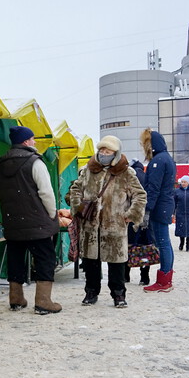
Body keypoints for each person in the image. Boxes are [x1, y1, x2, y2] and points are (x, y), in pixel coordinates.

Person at [70, 136, 146, 308]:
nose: (104, 154)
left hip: (114, 224)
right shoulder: (88, 170)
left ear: (116, 153)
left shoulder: (126, 172)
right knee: (90, 262)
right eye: (102, 150)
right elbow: (75, 189)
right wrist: (79, 207)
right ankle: (91, 292)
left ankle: (118, 294)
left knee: (117, 263)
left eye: (108, 151)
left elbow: (140, 195)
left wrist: (131, 214)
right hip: (90, 224)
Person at [0, 125, 61, 315]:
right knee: (45, 258)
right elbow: (46, 193)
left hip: (12, 221)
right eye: (32, 139)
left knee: (15, 257)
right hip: (37, 222)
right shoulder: (35, 162)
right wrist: (51, 214)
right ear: (25, 141)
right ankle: (43, 301)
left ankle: (16, 299)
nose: (34, 142)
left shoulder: (0, 164)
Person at [139, 128, 177, 293]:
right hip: (165, 206)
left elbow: (153, 188)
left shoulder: (157, 161)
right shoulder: (166, 159)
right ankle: (166, 278)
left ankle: (164, 281)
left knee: (162, 243)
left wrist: (147, 210)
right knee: (165, 243)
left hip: (158, 207)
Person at [126, 157, 151, 285]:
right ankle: (144, 276)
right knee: (144, 248)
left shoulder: (130, 176)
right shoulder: (145, 176)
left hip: (130, 216)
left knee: (127, 246)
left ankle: (126, 275)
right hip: (145, 217)